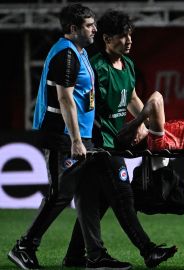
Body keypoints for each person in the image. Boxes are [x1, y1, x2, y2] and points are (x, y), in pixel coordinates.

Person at [6, 4, 131, 269]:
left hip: (79, 136)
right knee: (59, 194)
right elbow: (65, 99)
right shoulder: (66, 55)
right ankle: (24, 246)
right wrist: (75, 139)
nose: (95, 29)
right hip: (62, 136)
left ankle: (94, 256)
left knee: (88, 194)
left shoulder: (80, 52)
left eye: (93, 24)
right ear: (73, 29)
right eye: (89, 25)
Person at [60, 10, 177, 269]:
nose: (129, 40)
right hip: (100, 145)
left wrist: (147, 127)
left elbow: (133, 98)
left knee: (97, 202)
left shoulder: (128, 65)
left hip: (114, 144)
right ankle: (148, 250)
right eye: (123, 36)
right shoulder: (94, 67)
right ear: (107, 38)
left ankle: (76, 256)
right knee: (123, 196)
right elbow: (85, 107)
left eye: (130, 35)